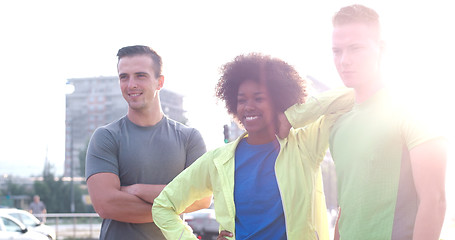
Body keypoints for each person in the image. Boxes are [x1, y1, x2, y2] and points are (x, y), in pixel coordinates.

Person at [280, 4, 447, 240]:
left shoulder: (413, 111)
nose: (344, 60)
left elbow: (435, 200)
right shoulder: (339, 124)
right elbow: (346, 209)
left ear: (382, 49)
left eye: (355, 48)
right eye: (337, 51)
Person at [152, 53, 353, 240]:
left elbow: (350, 96)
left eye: (259, 98)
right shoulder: (218, 160)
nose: (248, 106)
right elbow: (162, 206)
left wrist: (293, 117)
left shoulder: (304, 146)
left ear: (278, 100)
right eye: (241, 100)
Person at [85, 45, 210, 240]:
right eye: (124, 77)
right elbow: (106, 204)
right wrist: (172, 205)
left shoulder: (189, 138)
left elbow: (202, 198)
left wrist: (137, 190)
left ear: (159, 82)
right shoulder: (106, 136)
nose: (131, 84)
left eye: (140, 75)